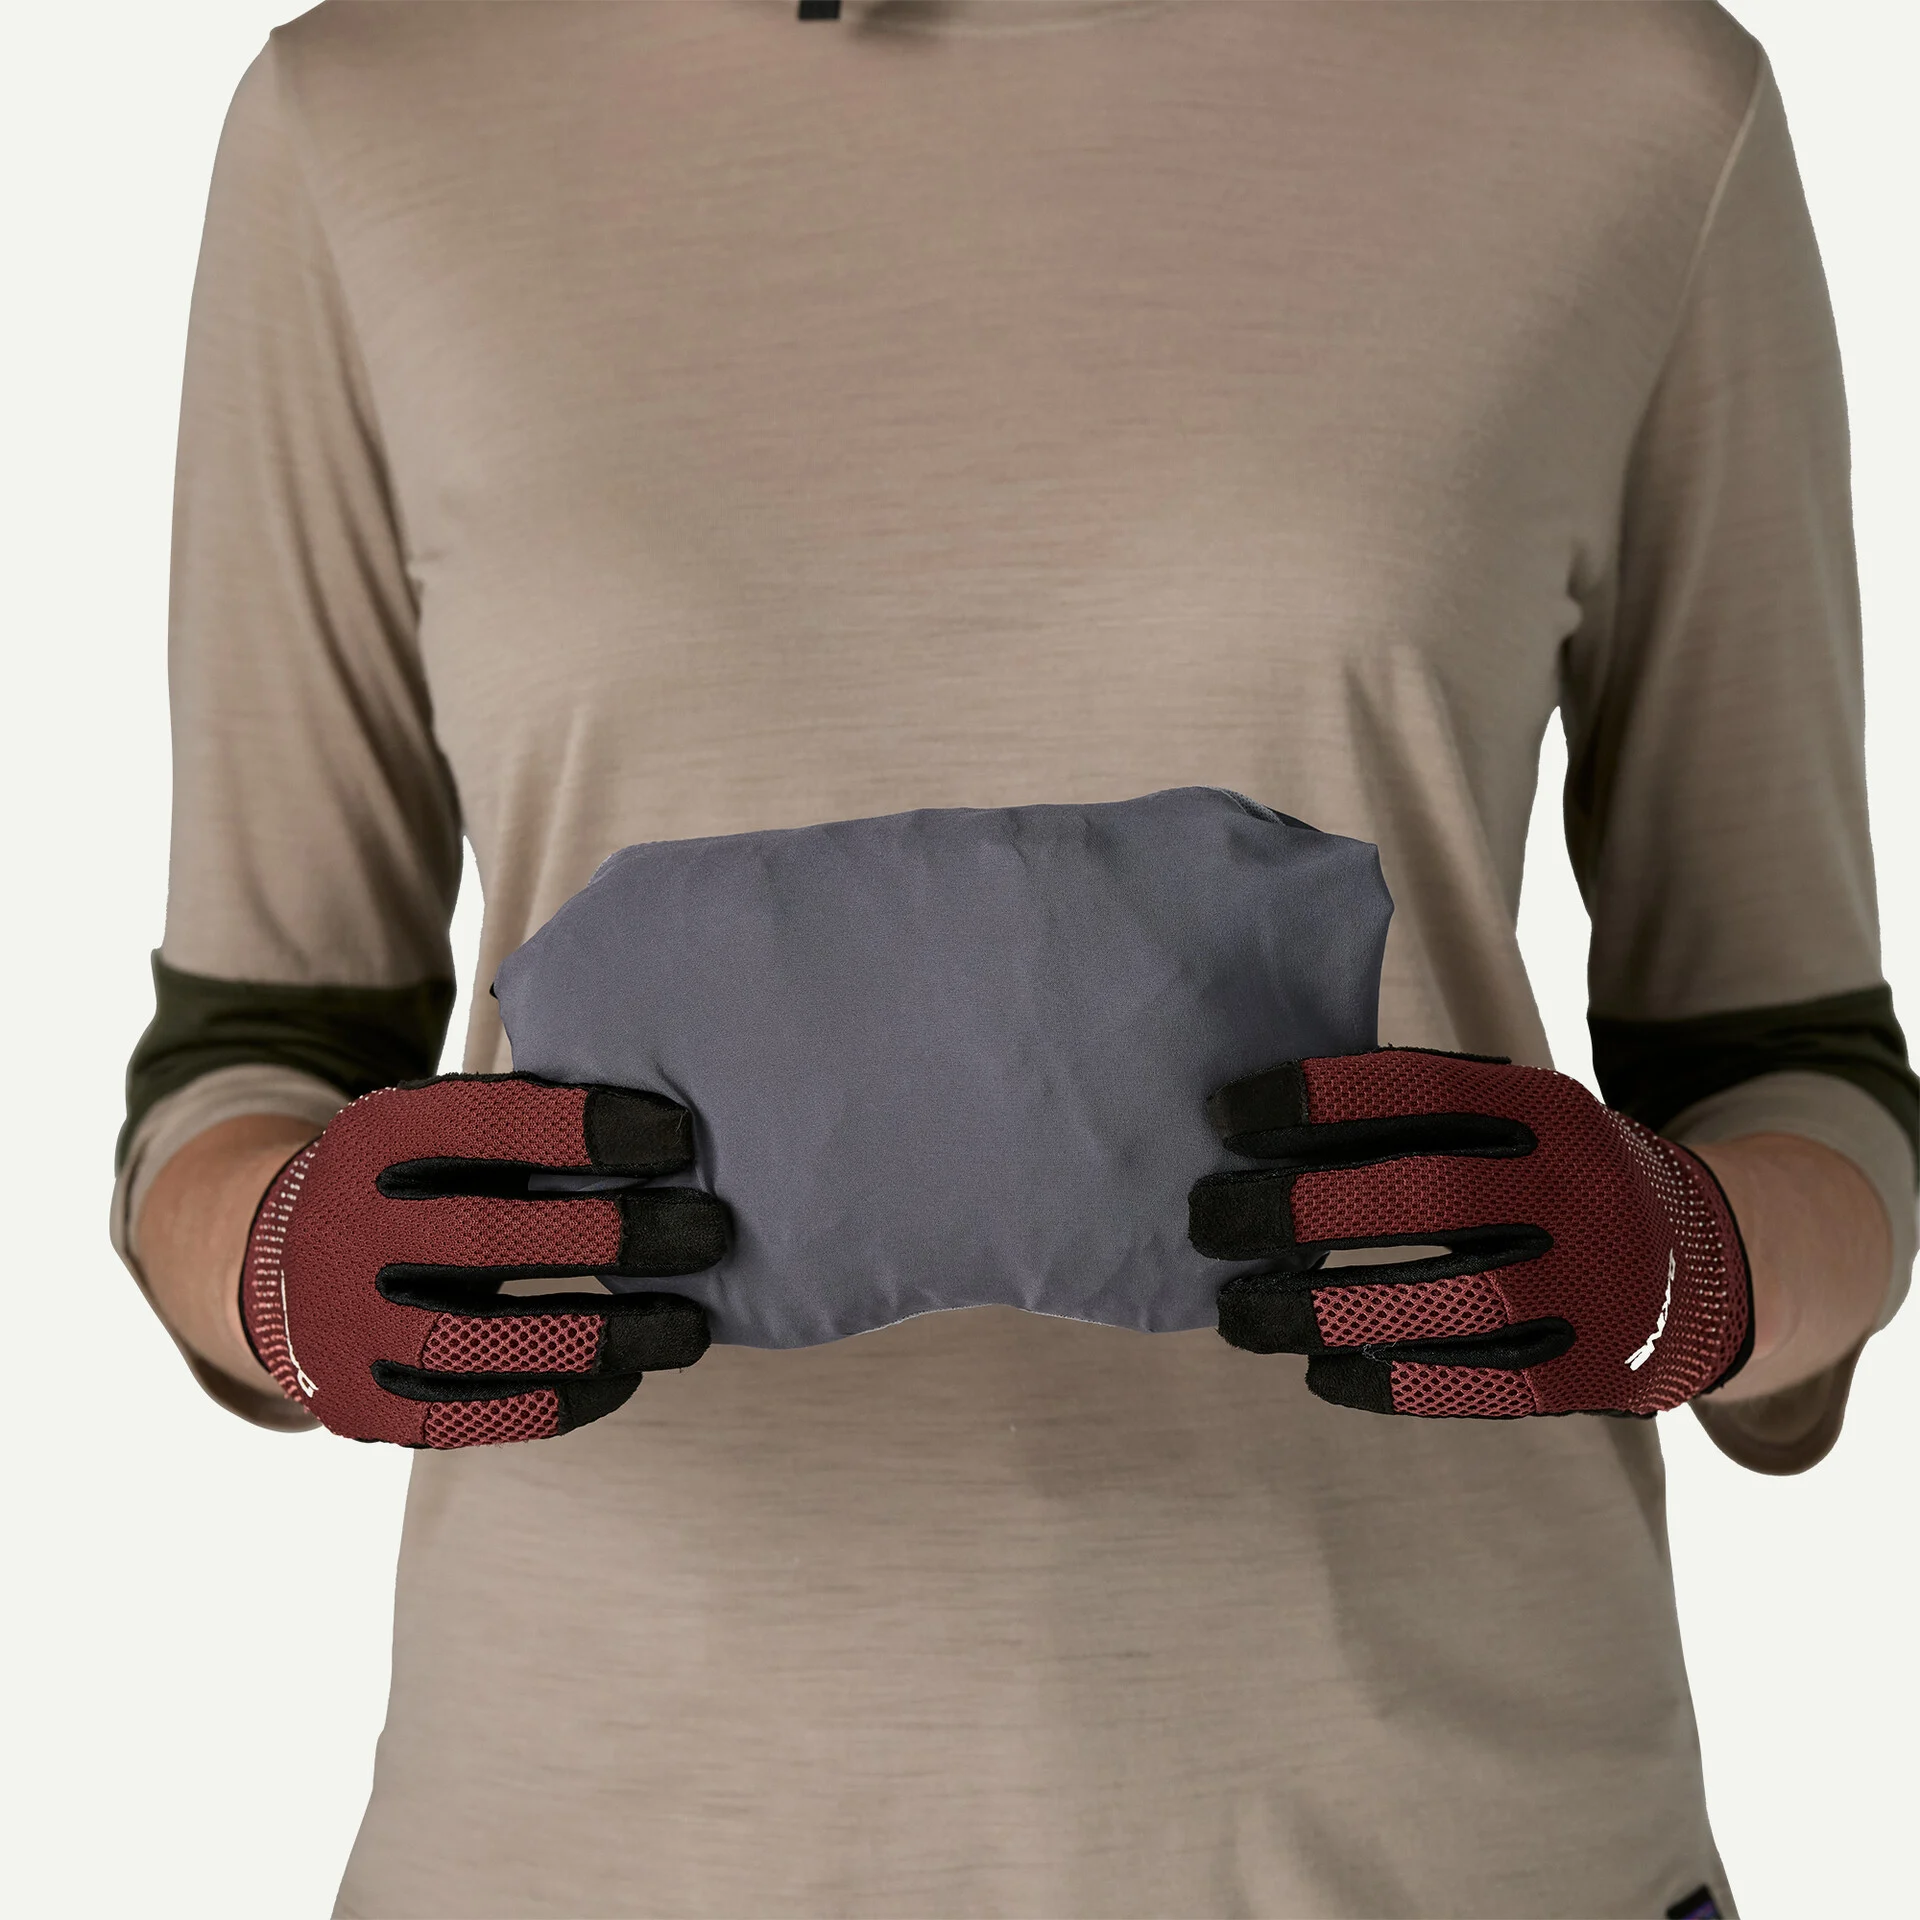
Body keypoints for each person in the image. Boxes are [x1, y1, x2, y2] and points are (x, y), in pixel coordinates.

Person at [115, 3, 1915, 1916]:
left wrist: (1693, 1264)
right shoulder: (367, 116)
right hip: (595, 1839)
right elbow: (251, 1050)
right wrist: (282, 1261)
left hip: (1441, 1838)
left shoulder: (1632, 100)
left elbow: (1794, 1067)